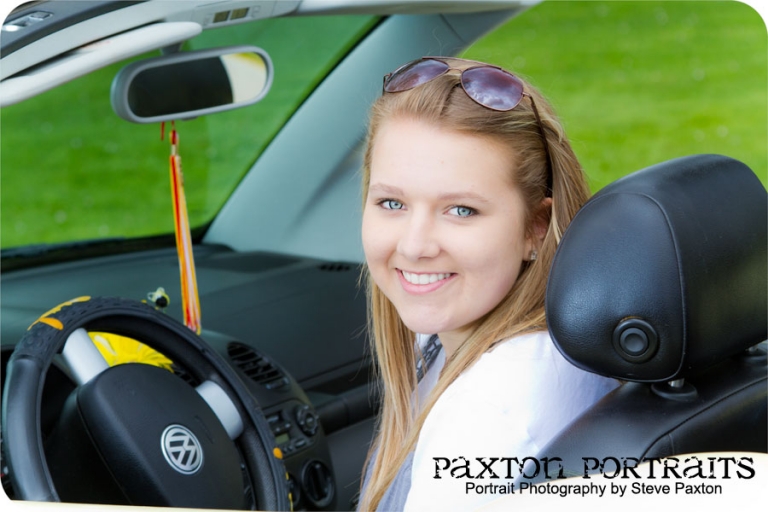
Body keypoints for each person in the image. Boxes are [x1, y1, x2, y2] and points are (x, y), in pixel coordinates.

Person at [357, 56, 619, 511]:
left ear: (535, 228)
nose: (415, 246)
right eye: (392, 203)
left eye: (461, 210)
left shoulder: (486, 416)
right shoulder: (510, 339)